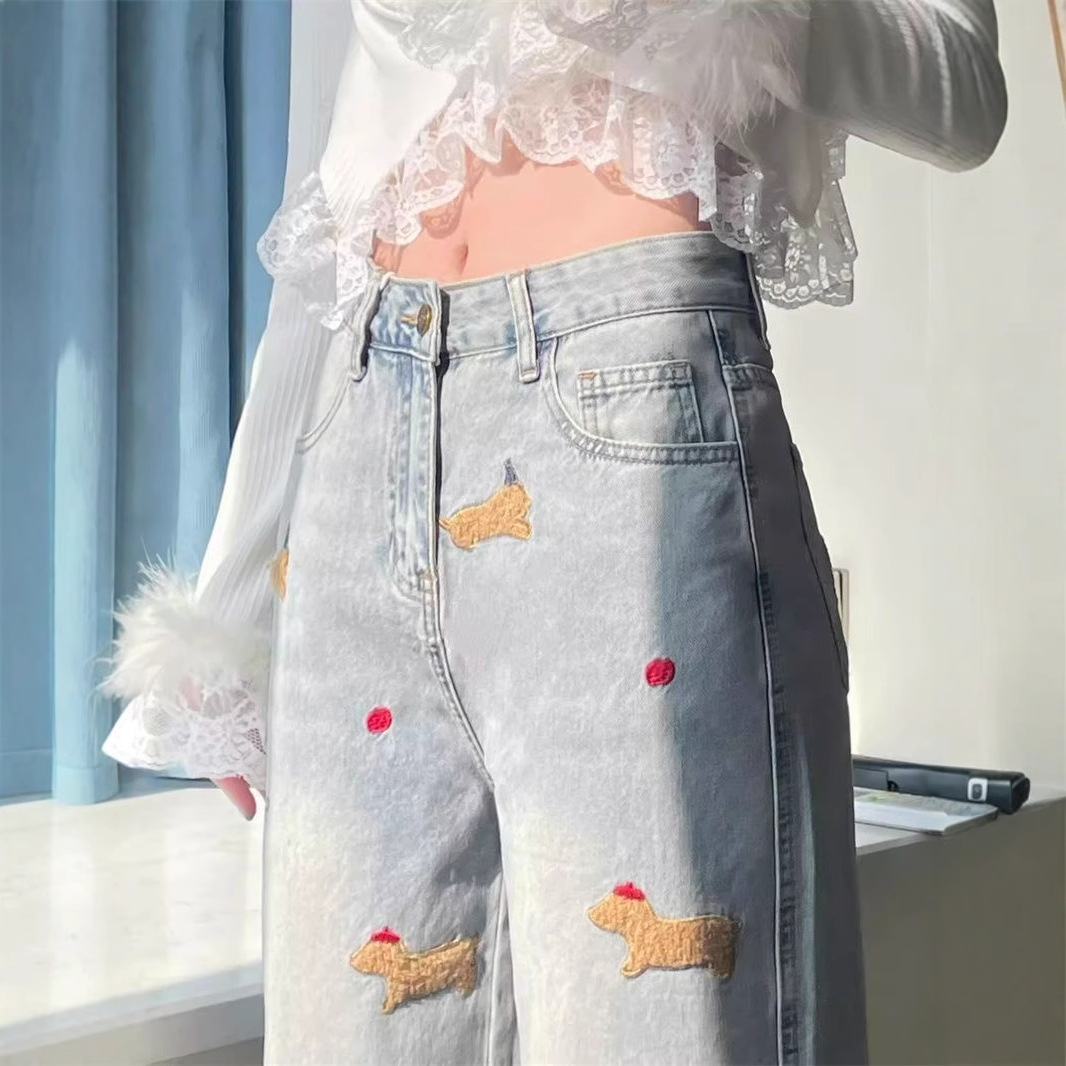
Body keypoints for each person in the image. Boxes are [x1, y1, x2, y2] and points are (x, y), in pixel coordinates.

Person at [101, 2, 1008, 1063]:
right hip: (365, 424)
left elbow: (962, 88)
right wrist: (231, 605)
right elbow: (333, 188)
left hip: (626, 412)